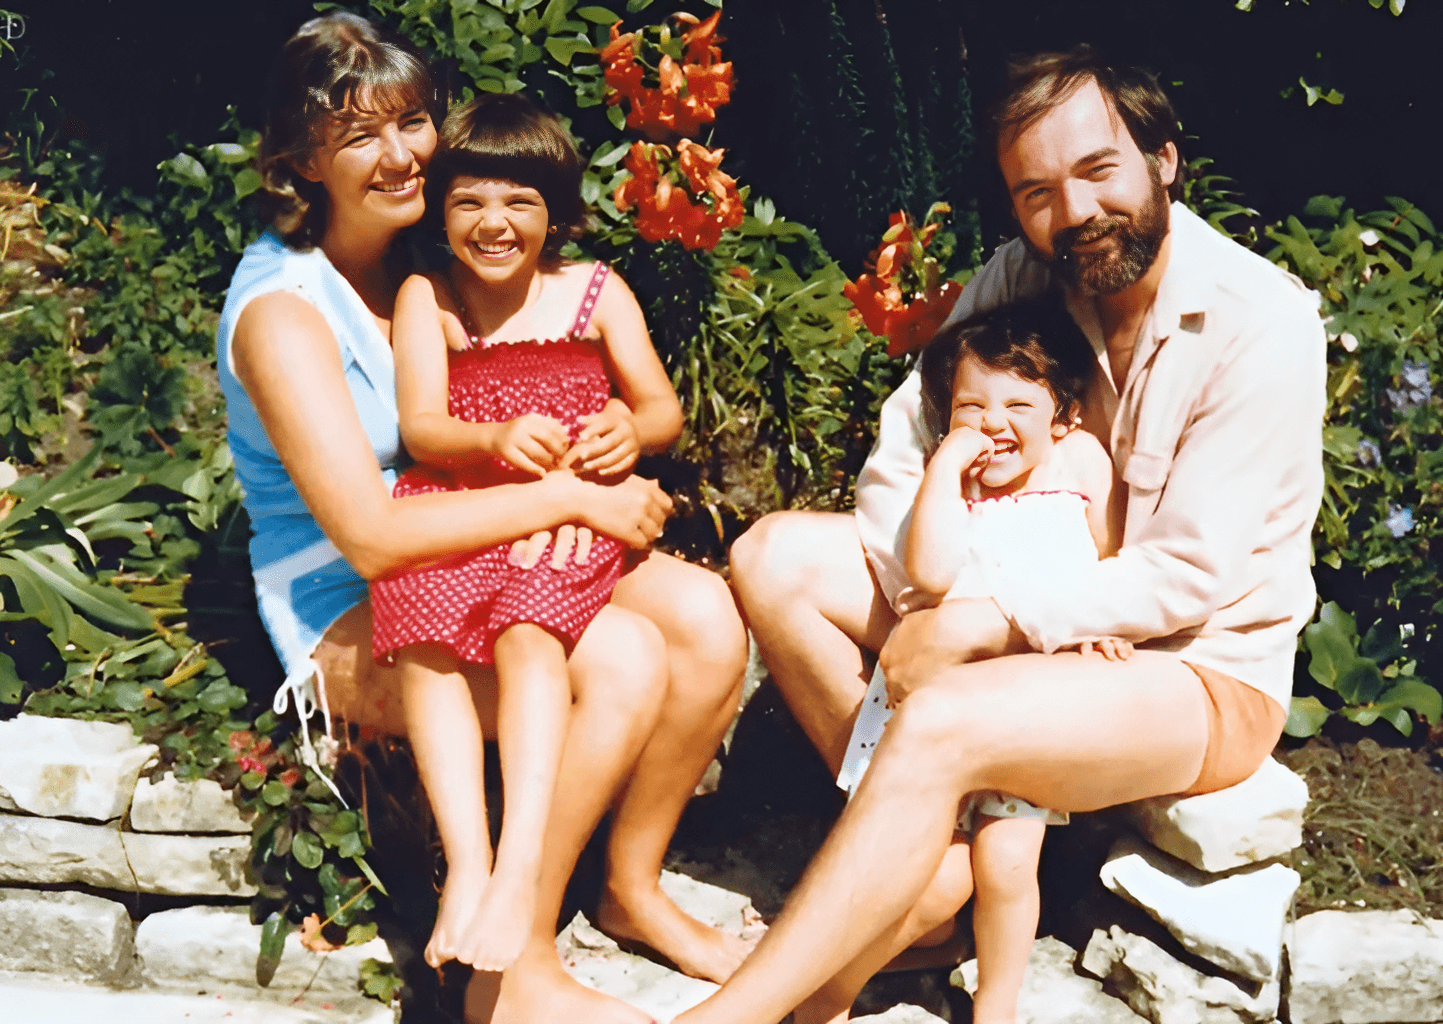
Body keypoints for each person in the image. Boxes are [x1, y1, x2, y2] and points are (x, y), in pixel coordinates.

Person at [689, 44, 1325, 1024]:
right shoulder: (1021, 280)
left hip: (1191, 671)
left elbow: (1187, 574)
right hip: (1018, 615)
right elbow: (901, 458)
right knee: (772, 557)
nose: (1074, 212)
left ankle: (747, 1012)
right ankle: (932, 866)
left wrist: (988, 622)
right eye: (1036, 192)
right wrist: (934, 602)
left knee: (942, 717)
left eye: (1097, 170)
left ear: (1162, 159)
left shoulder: (1258, 322)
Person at [217, 14, 747, 1024]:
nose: (402, 154)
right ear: (300, 161)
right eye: (360, 135)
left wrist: (601, 447)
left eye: (412, 121)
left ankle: (629, 887)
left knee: (708, 622)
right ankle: (514, 968)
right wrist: (573, 497)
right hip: (349, 591)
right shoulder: (284, 313)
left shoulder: (417, 254)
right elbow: (371, 536)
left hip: (482, 530)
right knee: (625, 658)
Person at [366, 91, 685, 974]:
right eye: (468, 201)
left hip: (568, 515)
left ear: (557, 213)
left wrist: (630, 426)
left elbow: (662, 407)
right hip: (467, 502)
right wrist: (490, 438)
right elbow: (422, 426)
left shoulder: (594, 292)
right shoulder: (429, 295)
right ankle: (466, 868)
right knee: (421, 626)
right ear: (440, 212)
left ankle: (518, 866)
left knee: (527, 634)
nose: (493, 223)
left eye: (520, 202)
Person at [836, 299, 1125, 1024]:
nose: (992, 423)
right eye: (972, 407)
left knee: (1007, 861)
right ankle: (829, 978)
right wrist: (944, 468)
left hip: (1022, 703)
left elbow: (1112, 560)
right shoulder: (955, 484)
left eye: (1019, 405)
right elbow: (930, 573)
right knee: (903, 858)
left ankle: (997, 1002)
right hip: (934, 705)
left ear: (1064, 416)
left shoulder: (1081, 464)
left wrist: (1104, 625)